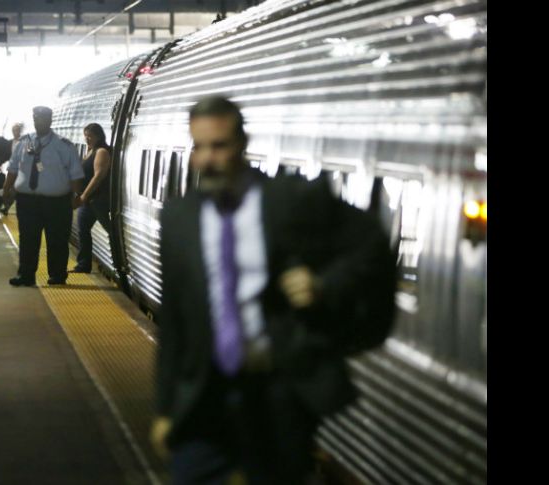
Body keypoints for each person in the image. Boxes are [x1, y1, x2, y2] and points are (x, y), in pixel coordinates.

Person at [150, 96, 396, 484]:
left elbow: (370, 243)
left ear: (242, 144)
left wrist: (324, 286)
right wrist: (165, 407)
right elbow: (176, 320)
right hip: (204, 394)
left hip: (275, 394)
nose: (208, 159)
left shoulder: (288, 200)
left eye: (220, 146)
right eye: (199, 147)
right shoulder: (180, 218)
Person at [3, 106, 84, 287]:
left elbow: (75, 174)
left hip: (57, 202)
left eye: (42, 118)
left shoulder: (63, 146)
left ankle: (57, 275)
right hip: (27, 200)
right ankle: (26, 275)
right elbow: (13, 168)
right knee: (28, 239)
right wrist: (7, 188)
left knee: (57, 240)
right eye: (36, 117)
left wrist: (77, 195)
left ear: (50, 120)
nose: (38, 121)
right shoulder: (23, 143)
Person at [72, 123, 112, 273]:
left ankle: (119, 261)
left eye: (90, 136)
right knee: (83, 230)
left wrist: (83, 196)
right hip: (90, 201)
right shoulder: (91, 151)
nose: (87, 139)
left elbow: (99, 176)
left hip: (98, 201)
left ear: (99, 136)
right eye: (86, 136)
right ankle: (83, 264)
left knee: (111, 232)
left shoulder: (102, 151)